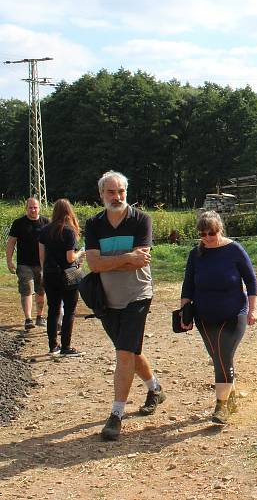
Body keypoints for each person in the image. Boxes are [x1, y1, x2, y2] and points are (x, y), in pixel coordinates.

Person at [85, 171, 164, 441]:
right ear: (101, 195)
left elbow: (142, 261)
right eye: (111, 192)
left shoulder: (141, 219)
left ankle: (116, 415)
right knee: (130, 350)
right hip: (107, 299)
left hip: (137, 295)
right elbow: (93, 265)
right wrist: (127, 257)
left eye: (121, 191)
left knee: (123, 353)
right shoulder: (94, 224)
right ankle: (155, 388)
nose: (117, 197)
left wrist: (110, 260)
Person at [180, 211, 257, 424]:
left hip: (234, 314)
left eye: (211, 233)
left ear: (220, 230)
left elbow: (251, 281)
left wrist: (253, 310)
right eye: (203, 233)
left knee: (222, 356)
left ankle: (220, 406)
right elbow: (188, 285)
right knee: (219, 358)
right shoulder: (196, 254)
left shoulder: (234, 250)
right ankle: (230, 395)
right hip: (204, 316)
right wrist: (184, 312)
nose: (207, 237)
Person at [38, 199, 85, 357]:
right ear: (69, 212)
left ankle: (53, 346)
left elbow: (42, 256)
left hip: (50, 273)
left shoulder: (44, 230)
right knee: (69, 311)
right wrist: (81, 253)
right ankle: (66, 346)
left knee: (53, 310)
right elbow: (70, 257)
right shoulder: (69, 231)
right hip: (68, 274)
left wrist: (45, 271)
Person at [6, 197, 50, 330]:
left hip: (42, 263)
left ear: (39, 208)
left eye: (35, 207)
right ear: (26, 208)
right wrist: (9, 260)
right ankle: (28, 319)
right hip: (24, 264)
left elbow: (52, 242)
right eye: (30, 207)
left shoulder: (46, 222)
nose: (33, 210)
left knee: (41, 291)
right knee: (27, 290)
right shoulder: (18, 223)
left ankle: (40, 317)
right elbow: (11, 242)